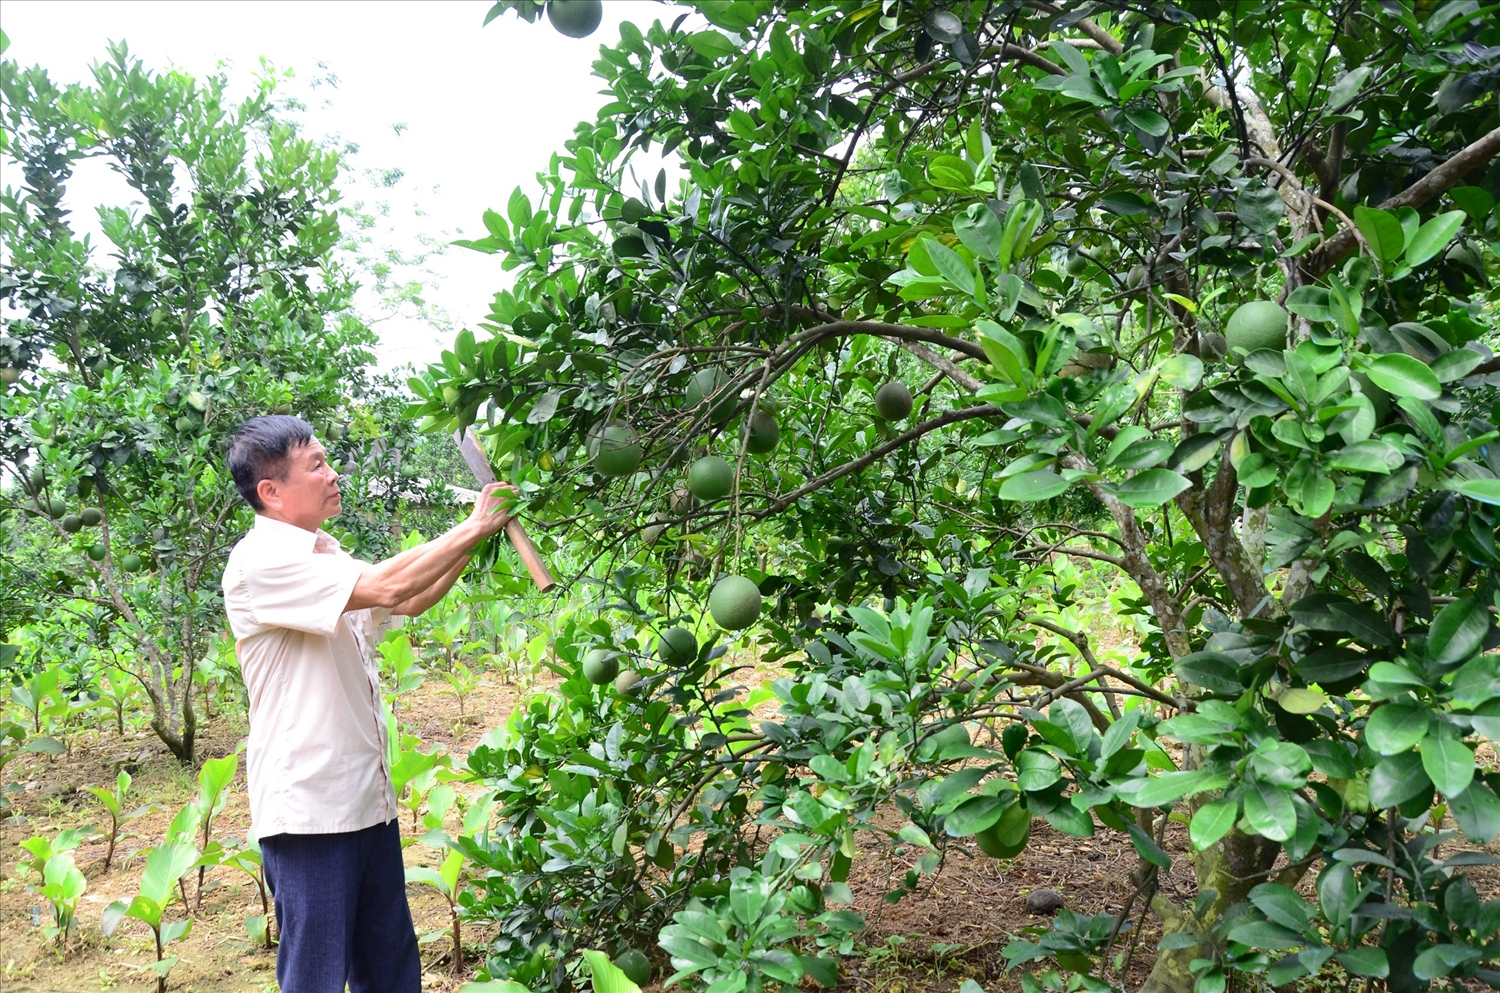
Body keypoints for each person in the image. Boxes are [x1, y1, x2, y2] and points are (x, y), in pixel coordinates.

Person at [221, 414, 514, 993]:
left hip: (366, 801)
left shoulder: (325, 556)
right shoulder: (262, 561)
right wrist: (475, 526)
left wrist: (479, 531)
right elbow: (388, 586)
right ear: (271, 492)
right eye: (317, 465)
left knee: (390, 969)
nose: (333, 475)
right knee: (317, 976)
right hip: (309, 811)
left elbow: (412, 599)